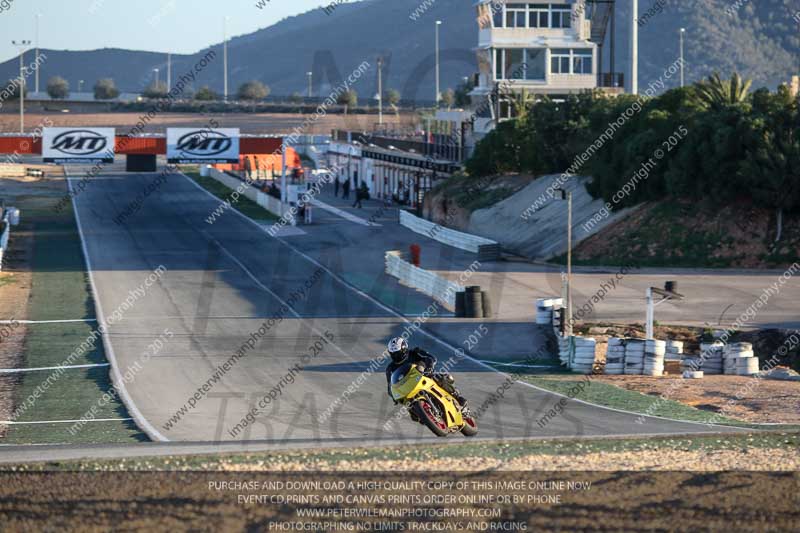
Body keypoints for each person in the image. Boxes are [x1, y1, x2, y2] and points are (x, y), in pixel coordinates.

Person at [384, 338, 466, 406]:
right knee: (410, 409)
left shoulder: (415, 352)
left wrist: (429, 367)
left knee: (443, 378)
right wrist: (394, 397)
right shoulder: (390, 368)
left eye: (398, 353)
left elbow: (431, 358)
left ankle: (457, 396)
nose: (396, 356)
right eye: (393, 354)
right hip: (409, 388)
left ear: (404, 349)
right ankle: (425, 415)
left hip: (425, 375)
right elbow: (390, 387)